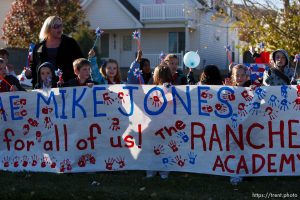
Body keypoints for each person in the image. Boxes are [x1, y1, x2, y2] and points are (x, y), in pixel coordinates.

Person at [25, 16, 83, 88]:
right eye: (56, 26)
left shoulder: (70, 43)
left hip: (67, 85)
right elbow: (34, 67)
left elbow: (81, 62)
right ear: (48, 29)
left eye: (61, 26)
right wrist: (29, 74)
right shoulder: (39, 46)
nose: (60, 29)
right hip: (45, 87)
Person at [146, 63, 172, 180]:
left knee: (159, 147)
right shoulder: (150, 88)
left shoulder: (170, 88)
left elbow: (171, 102)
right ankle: (157, 170)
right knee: (158, 147)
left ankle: (160, 170)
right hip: (157, 124)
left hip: (163, 124)